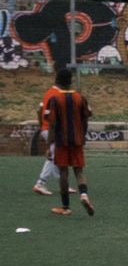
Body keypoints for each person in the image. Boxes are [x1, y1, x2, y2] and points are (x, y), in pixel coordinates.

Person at [43, 68, 94, 217]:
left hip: (62, 142)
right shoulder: (80, 98)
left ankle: (66, 207)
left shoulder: (55, 99)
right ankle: (84, 195)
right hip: (77, 140)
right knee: (79, 171)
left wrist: (49, 145)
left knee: (63, 172)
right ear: (71, 81)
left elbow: (52, 124)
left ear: (57, 81)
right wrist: (82, 135)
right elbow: (86, 117)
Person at [31, 78, 59, 196]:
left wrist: (41, 125)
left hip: (45, 128)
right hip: (52, 130)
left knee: (56, 155)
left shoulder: (49, 92)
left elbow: (39, 109)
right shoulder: (59, 94)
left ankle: (63, 182)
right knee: (53, 156)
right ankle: (40, 183)